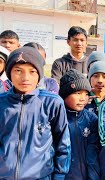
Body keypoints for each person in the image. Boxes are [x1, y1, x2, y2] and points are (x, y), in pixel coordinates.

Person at [0, 47, 71, 179]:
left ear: (39, 74)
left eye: (32, 71)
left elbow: (63, 144)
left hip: (40, 176)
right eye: (18, 71)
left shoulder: (52, 103)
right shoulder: (1, 103)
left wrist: (60, 176)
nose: (25, 77)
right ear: (9, 73)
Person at [59, 69, 100, 179]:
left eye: (86, 94)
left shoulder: (91, 119)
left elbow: (93, 153)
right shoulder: (57, 118)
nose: (82, 98)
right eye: (77, 93)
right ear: (64, 94)